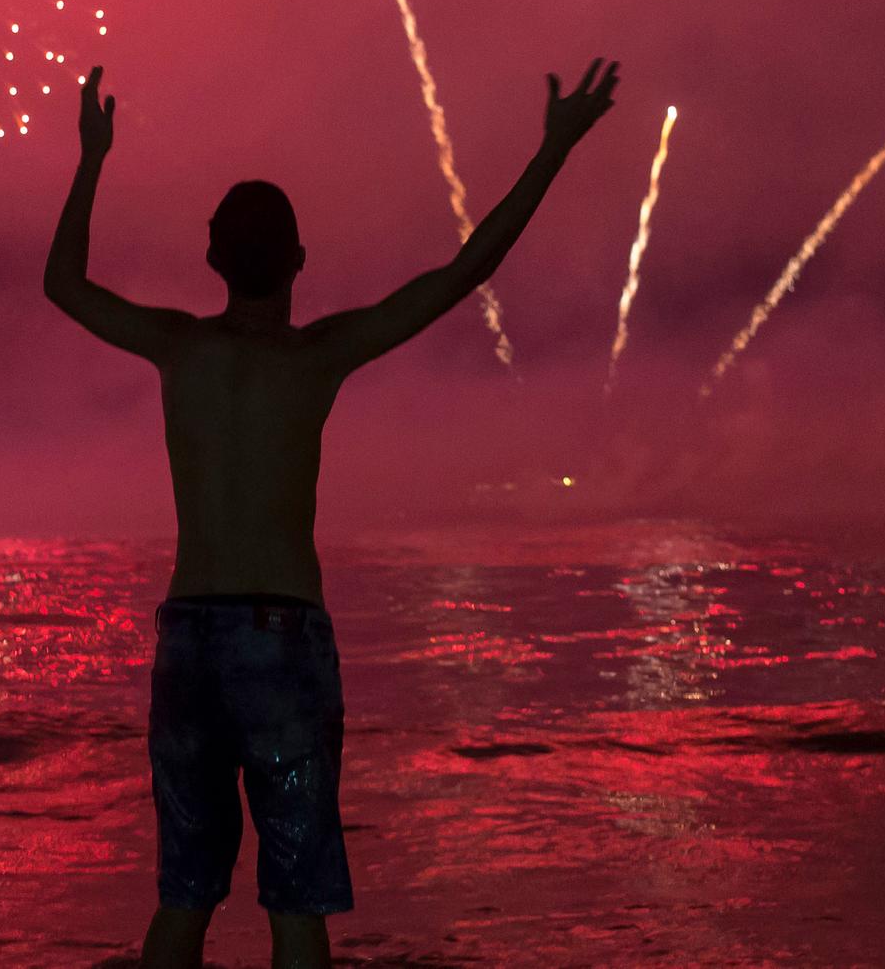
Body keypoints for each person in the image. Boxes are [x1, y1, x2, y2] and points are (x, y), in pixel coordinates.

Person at [43, 59, 620, 968]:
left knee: (184, 898)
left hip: (189, 635)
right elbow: (469, 269)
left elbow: (63, 284)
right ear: (300, 260)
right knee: (296, 904)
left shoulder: (178, 348)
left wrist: (91, 159)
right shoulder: (316, 357)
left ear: (212, 260)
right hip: (281, 636)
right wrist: (555, 149)